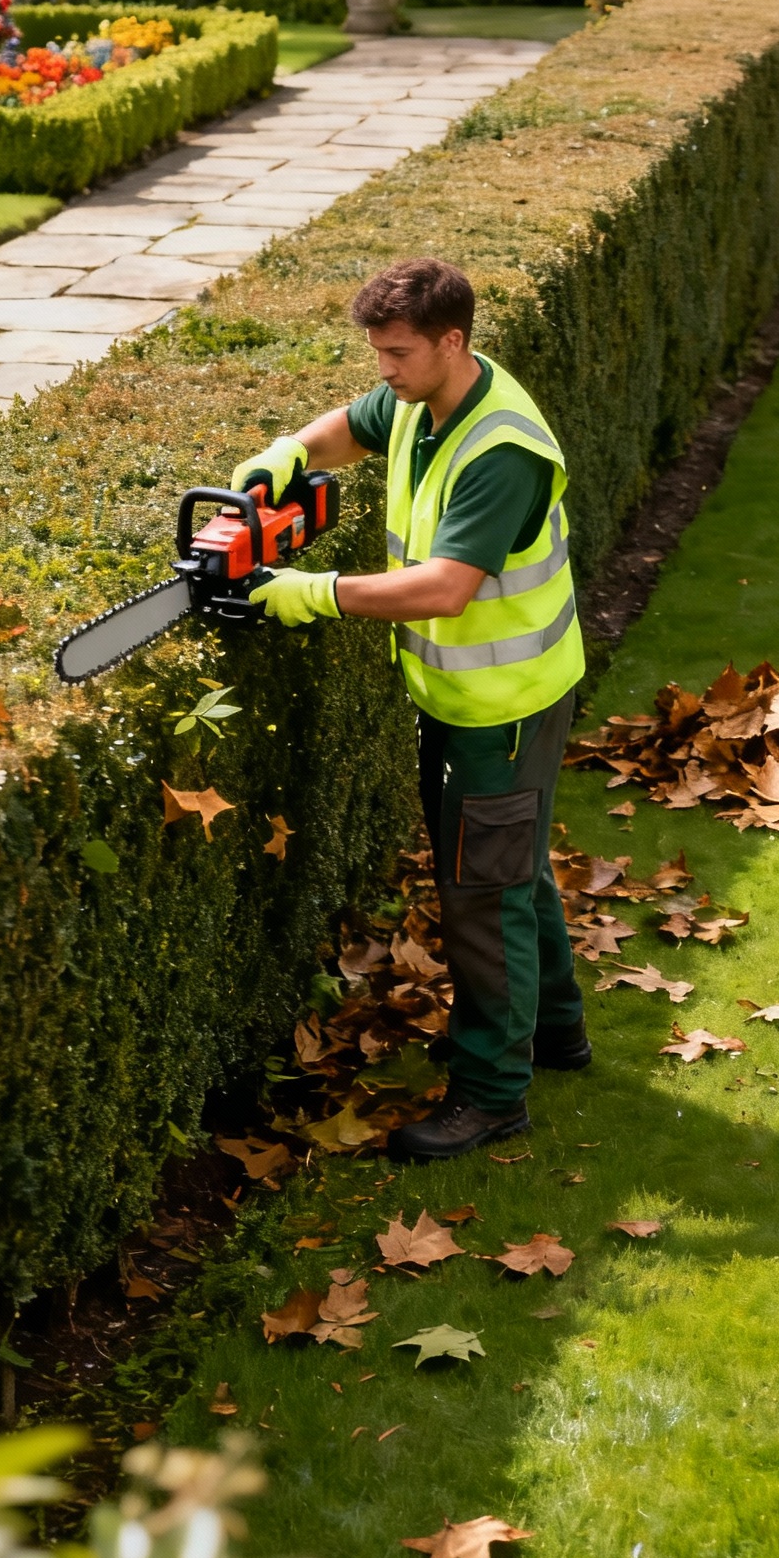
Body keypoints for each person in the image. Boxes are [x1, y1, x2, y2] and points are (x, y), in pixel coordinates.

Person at [236, 256, 589, 1162]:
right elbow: (350, 427)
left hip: (499, 708)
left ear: (452, 341)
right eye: (378, 354)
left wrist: (315, 593)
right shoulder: (422, 399)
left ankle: (492, 1096)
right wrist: (291, 453)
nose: (383, 371)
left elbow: (444, 588)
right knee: (512, 870)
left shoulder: (500, 450)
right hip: (478, 694)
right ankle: (555, 1033)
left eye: (397, 354)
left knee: (483, 897)